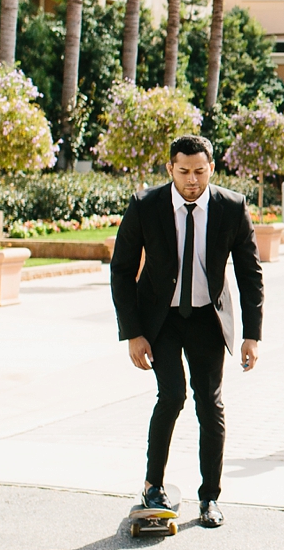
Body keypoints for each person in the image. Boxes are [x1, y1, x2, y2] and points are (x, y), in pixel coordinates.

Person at [109, 131, 265, 529]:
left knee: (209, 404)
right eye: (184, 172)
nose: (192, 180)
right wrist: (132, 332)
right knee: (172, 396)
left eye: (200, 171)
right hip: (159, 319)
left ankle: (209, 497)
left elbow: (250, 273)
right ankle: (152, 485)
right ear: (170, 169)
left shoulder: (231, 207)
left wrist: (252, 334)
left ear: (212, 167)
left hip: (206, 319)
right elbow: (122, 270)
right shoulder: (146, 205)